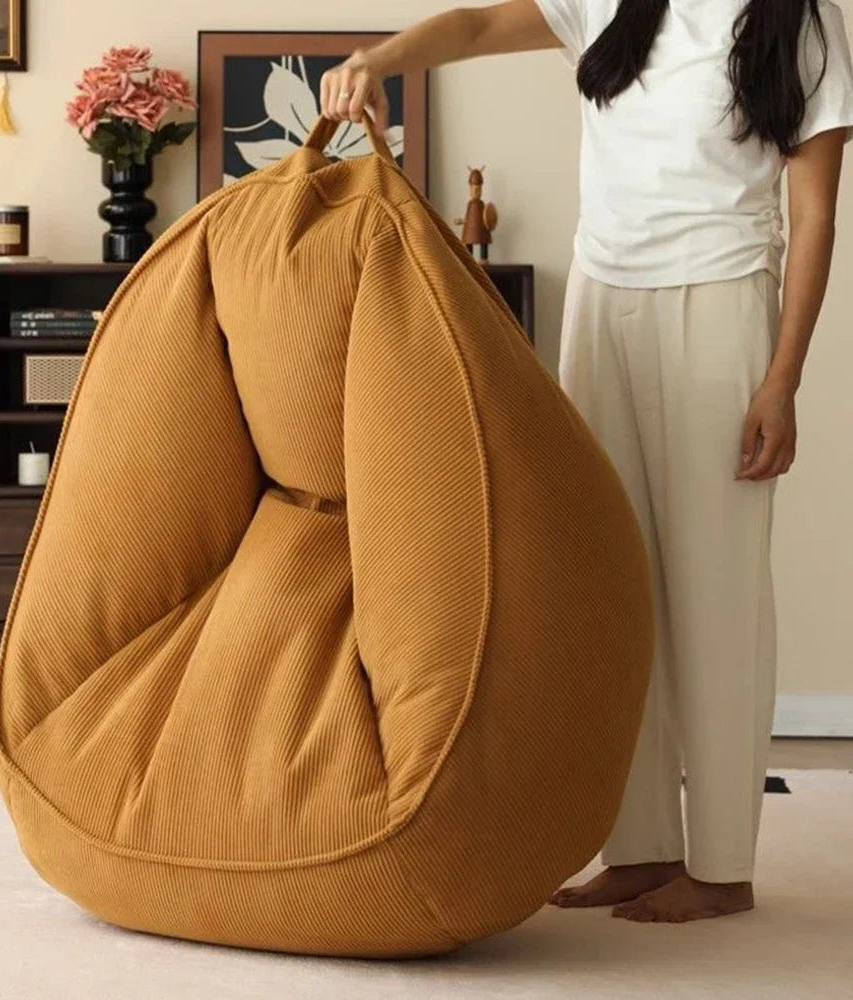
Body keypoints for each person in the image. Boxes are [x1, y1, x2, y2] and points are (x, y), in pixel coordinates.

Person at [320, 1, 853, 923]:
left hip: (721, 305)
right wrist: (381, 56)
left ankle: (723, 866)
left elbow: (813, 219)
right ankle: (640, 848)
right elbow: (483, 27)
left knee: (714, 592)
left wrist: (781, 381)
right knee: (614, 583)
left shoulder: (799, 21)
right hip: (603, 302)